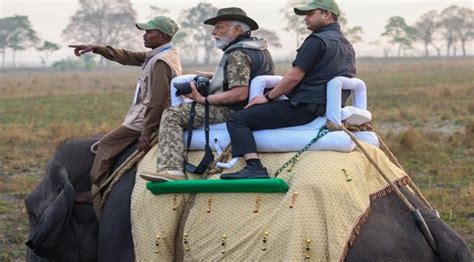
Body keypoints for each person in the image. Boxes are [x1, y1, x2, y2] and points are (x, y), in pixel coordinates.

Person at [221, 0, 356, 179]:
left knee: (237, 119)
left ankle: (254, 167)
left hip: (305, 108)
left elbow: (294, 76)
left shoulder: (316, 41)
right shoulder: (346, 43)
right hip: (325, 107)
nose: (306, 19)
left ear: (327, 15)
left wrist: (268, 97)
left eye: (310, 14)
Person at [140, 7, 275, 182]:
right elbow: (247, 78)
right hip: (255, 107)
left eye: (220, 27)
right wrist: (215, 77)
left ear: (237, 30)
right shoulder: (259, 48)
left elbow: (239, 94)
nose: (213, 32)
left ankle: (172, 171)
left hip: (235, 109)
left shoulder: (238, 54)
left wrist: (203, 99)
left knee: (172, 114)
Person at [68, 16, 182, 201]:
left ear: (162, 36)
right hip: (143, 115)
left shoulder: (161, 62)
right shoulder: (159, 55)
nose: (144, 36)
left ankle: (97, 192)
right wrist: (96, 48)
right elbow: (127, 56)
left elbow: (157, 101)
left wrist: (146, 131)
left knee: (106, 144)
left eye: (149, 32)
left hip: (145, 119)